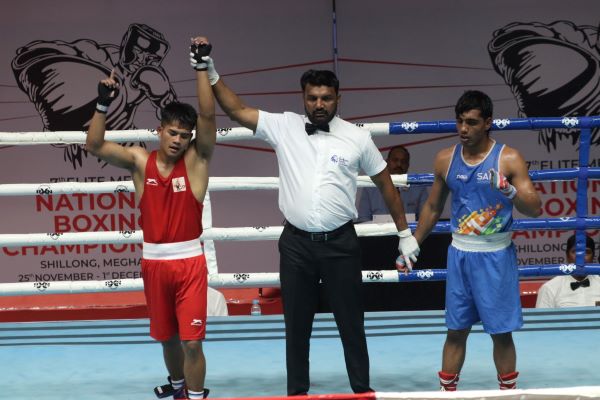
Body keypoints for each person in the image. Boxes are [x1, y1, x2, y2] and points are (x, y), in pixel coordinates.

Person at [193, 44, 419, 395]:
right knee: (296, 329)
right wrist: (210, 70)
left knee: (351, 326)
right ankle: (297, 394)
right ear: (303, 97)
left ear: (338, 99)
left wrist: (404, 233)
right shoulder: (284, 125)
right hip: (296, 245)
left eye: (326, 98)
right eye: (312, 97)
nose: (318, 104)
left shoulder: (358, 138)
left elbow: (386, 186)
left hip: (341, 245)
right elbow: (236, 109)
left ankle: (362, 392)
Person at [86, 37, 216, 400]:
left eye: (184, 136)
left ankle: (195, 395)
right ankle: (177, 388)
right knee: (167, 338)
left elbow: (207, 117)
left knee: (192, 341)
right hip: (154, 262)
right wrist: (101, 104)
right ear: (159, 130)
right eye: (172, 133)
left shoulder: (196, 162)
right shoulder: (140, 162)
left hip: (189, 262)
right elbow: (94, 145)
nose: (177, 140)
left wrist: (202, 66)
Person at [409, 90, 542, 391]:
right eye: (459, 122)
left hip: (496, 256)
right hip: (460, 254)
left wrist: (509, 191)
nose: (463, 129)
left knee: (501, 333)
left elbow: (534, 208)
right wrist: (413, 242)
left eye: (471, 122)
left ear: (487, 123)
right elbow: (432, 207)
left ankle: (508, 395)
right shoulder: (446, 159)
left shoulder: (508, 158)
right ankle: (446, 393)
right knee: (455, 330)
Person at [356, 145, 428, 222]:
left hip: (410, 233)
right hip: (378, 233)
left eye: (403, 162)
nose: (399, 164)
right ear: (387, 162)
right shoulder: (370, 187)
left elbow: (425, 219)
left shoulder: (419, 188)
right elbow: (363, 218)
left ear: (408, 165)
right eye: (395, 160)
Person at [536, 234, 599, 308]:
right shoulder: (550, 288)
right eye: (575, 251)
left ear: (593, 257)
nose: (581, 257)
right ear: (567, 256)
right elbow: (542, 319)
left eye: (586, 252)